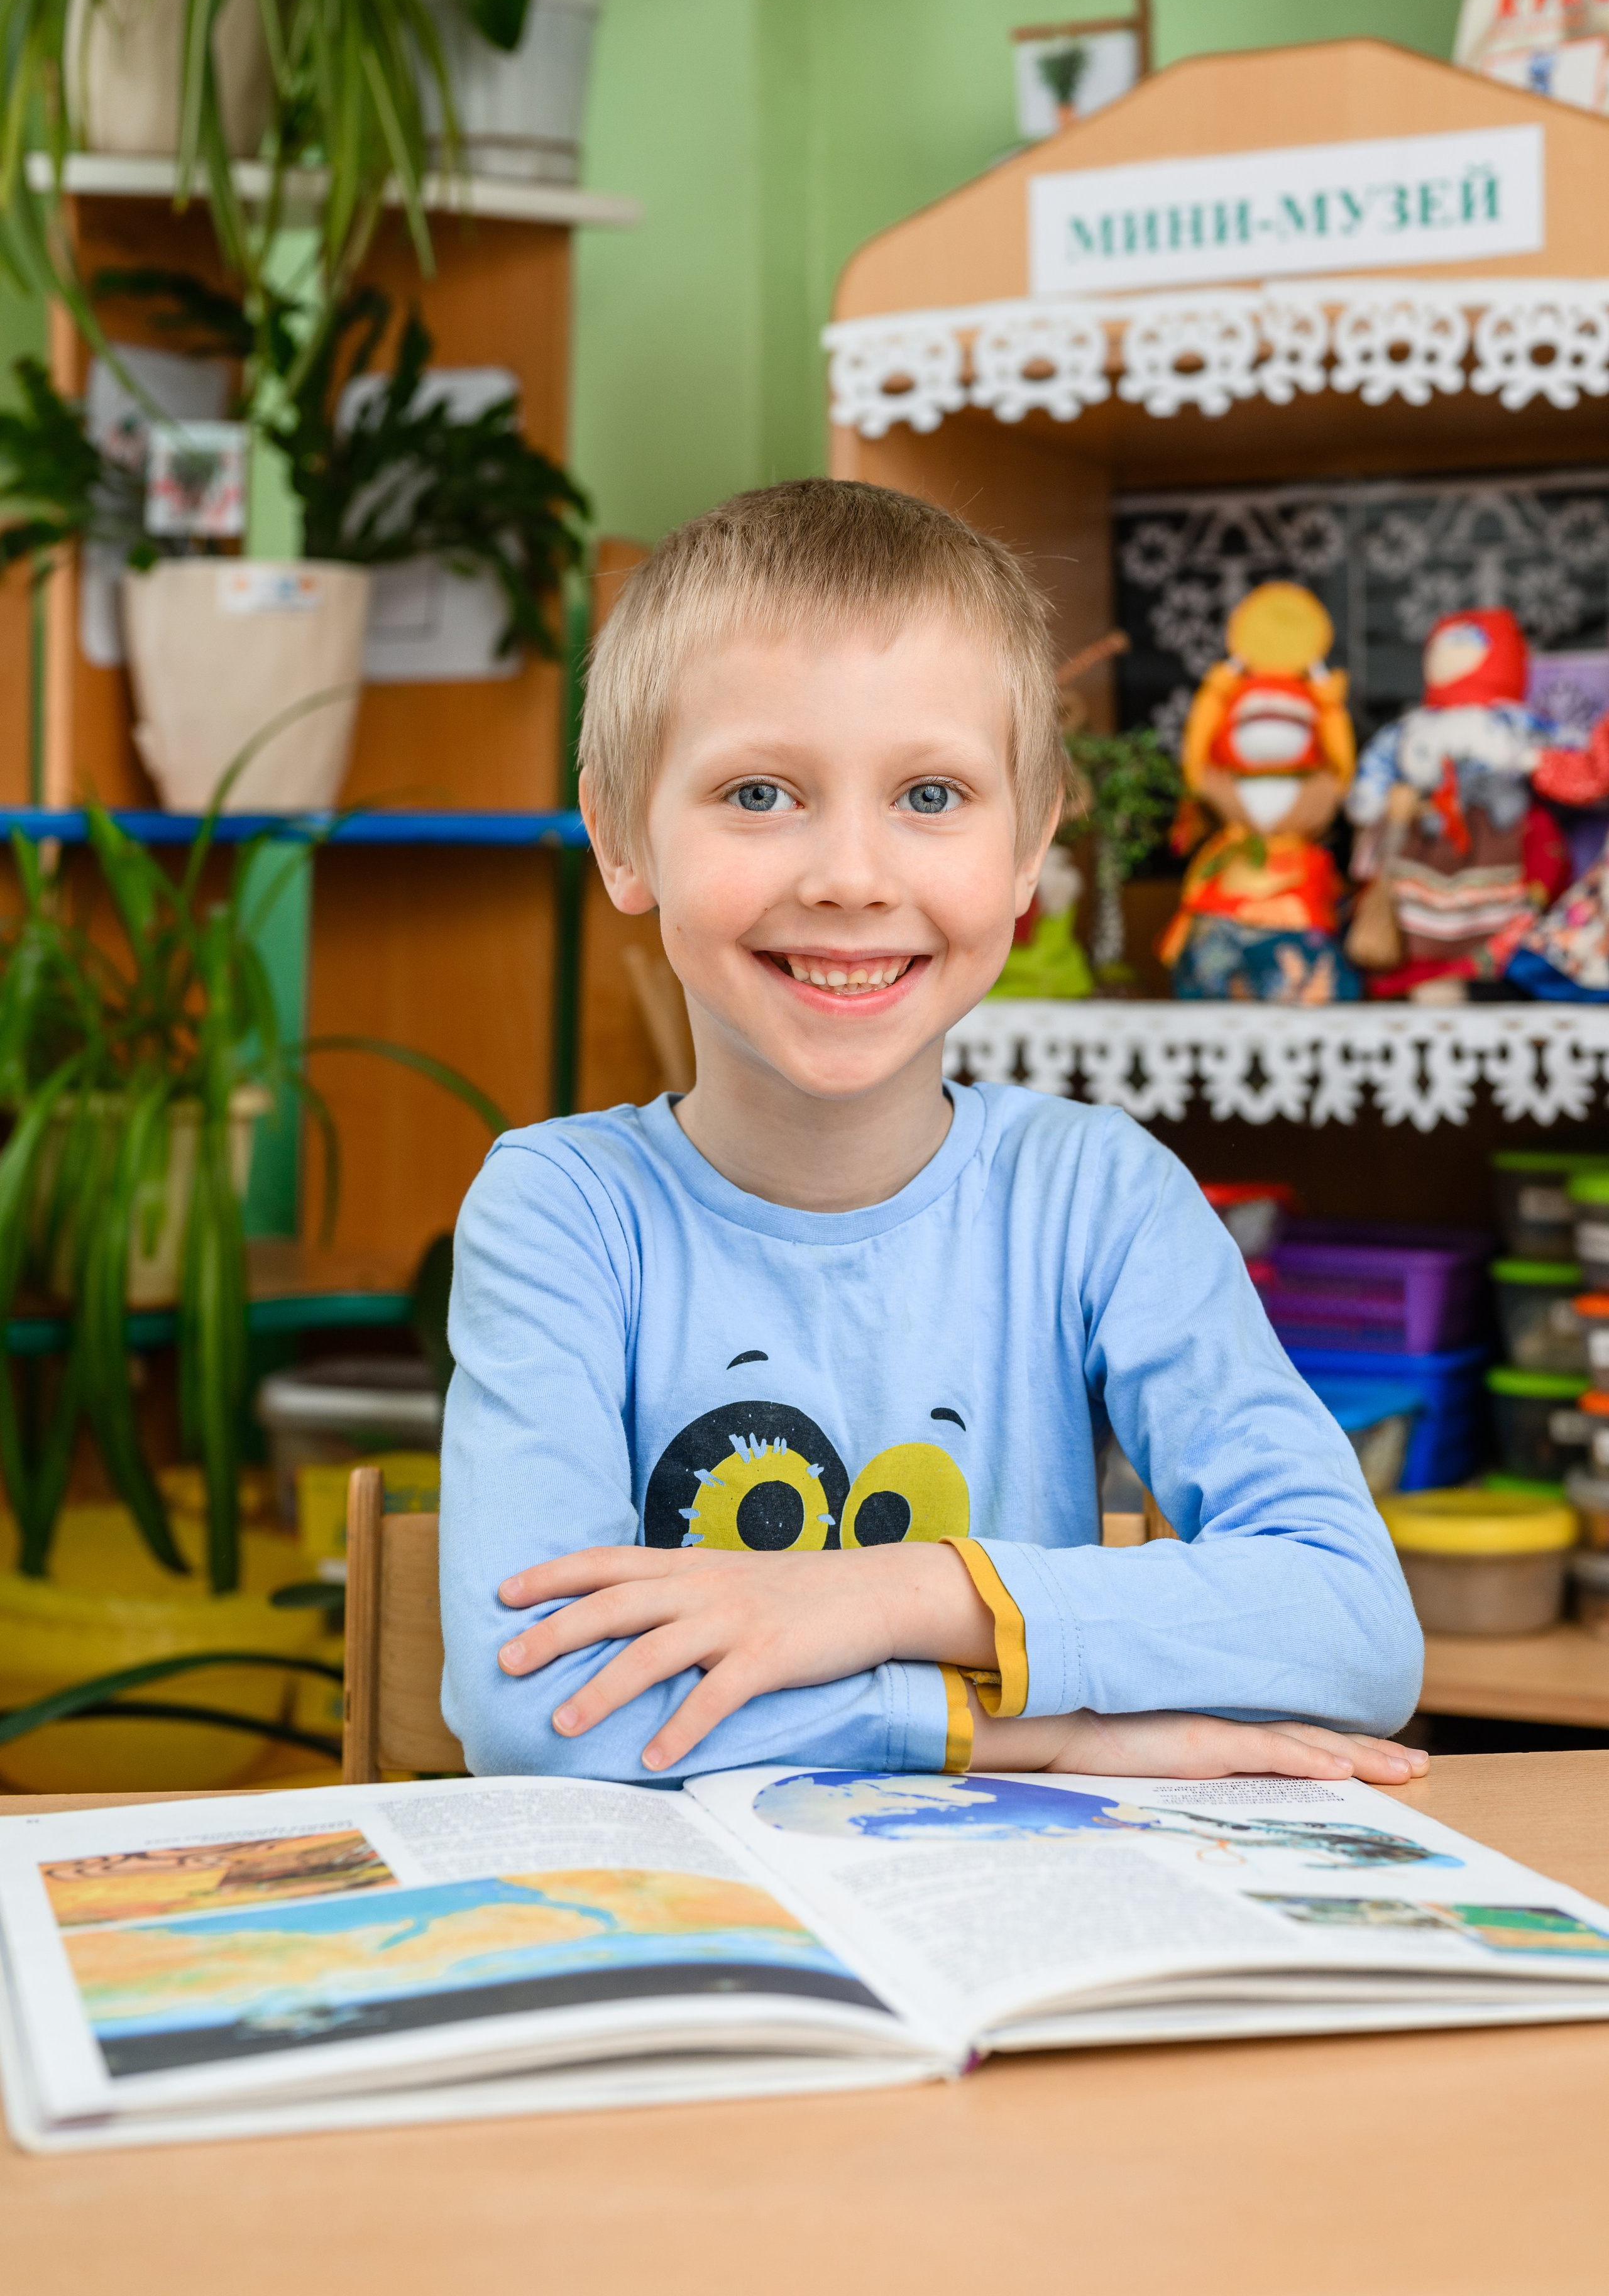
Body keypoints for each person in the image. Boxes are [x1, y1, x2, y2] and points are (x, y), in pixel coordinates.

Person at [439, 479, 1424, 1788]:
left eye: (930, 795)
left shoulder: (1099, 1196)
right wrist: (1037, 1731)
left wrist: (886, 1598)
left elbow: (1352, 1630)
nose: (850, 875)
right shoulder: (559, 1209)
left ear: (1028, 853)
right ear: (621, 835)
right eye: (756, 792)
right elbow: (540, 1713)